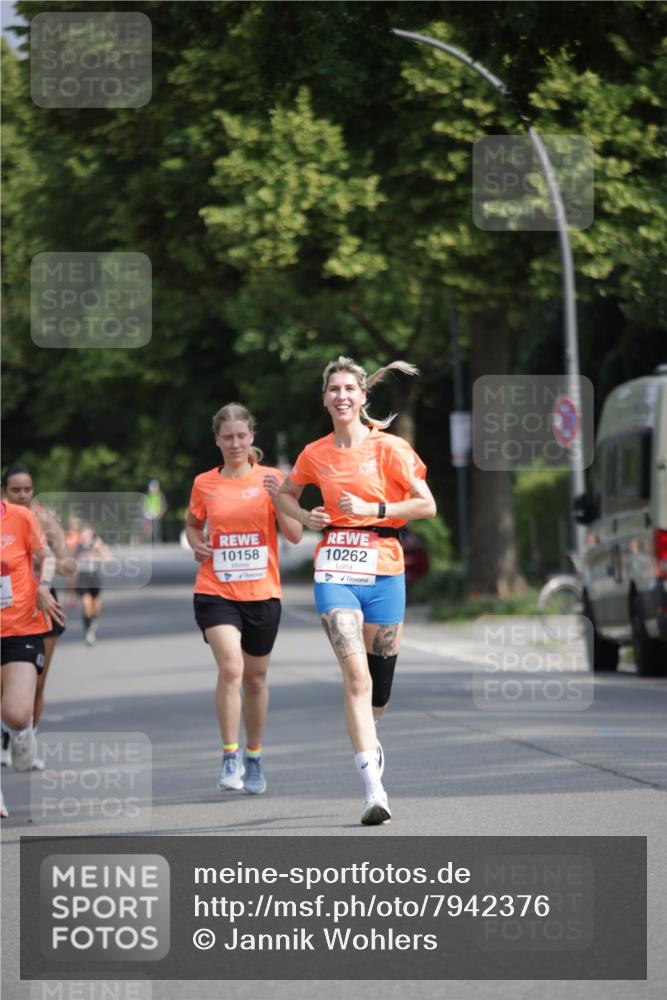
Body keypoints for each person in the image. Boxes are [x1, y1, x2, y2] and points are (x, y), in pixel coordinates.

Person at [275, 357, 437, 826]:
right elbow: (286, 494)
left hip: (385, 570)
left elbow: (426, 505)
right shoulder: (314, 453)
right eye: (334, 390)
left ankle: (370, 736)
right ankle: (374, 790)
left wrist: (374, 506)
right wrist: (306, 518)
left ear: (364, 396)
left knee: (379, 692)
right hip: (336, 571)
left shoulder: (390, 448)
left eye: (350, 388)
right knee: (356, 678)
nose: (342, 396)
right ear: (324, 398)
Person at [185, 403, 303, 796]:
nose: (235, 443)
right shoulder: (205, 483)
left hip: (262, 593)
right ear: (217, 440)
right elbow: (191, 523)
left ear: (252, 436)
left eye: (241, 436)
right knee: (232, 668)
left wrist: (277, 499)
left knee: (255, 679)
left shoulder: (273, 477)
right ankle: (229, 754)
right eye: (227, 437)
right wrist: (197, 542)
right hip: (215, 590)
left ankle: (254, 756)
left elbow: (294, 535)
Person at [1, 464, 77, 768]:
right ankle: (9, 736)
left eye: (27, 490)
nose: (21, 495)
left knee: (37, 682)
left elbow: (67, 564)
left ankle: (26, 733)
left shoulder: (41, 518)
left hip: (38, 606)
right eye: (15, 490)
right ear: (5, 491)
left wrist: (40, 571)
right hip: (9, 604)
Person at [1, 497, 64, 817]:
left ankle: (21, 732)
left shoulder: (20, 518)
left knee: (15, 712)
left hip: (20, 627)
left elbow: (47, 556)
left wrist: (45, 585)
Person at [75, 524, 112, 646]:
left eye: (87, 532)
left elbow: (108, 558)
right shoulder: (78, 547)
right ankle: (88, 633)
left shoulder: (97, 545)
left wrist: (99, 548)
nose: (85, 535)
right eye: (83, 533)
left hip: (94, 579)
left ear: (92, 533)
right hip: (82, 579)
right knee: (86, 605)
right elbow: (70, 563)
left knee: (96, 609)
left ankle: (91, 628)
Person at [141, 479, 167, 543]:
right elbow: (144, 505)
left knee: (156, 529)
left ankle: (156, 540)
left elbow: (163, 505)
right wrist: (144, 513)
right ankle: (148, 541)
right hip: (148, 515)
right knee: (148, 528)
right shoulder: (148, 495)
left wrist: (161, 513)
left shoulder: (160, 495)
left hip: (157, 514)